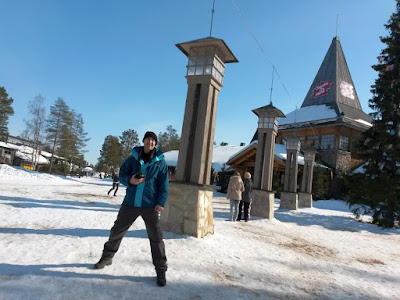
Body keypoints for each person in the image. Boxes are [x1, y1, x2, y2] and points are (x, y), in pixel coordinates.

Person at [94, 131, 169, 287]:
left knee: (156, 238)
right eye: (148, 139)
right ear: (143, 141)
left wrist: (160, 202)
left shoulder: (161, 162)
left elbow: (164, 186)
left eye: (153, 141)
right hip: (130, 203)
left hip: (150, 205)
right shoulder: (133, 158)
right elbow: (122, 174)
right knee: (117, 231)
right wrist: (130, 180)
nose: (151, 142)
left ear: (155, 143)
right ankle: (107, 258)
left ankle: (161, 271)